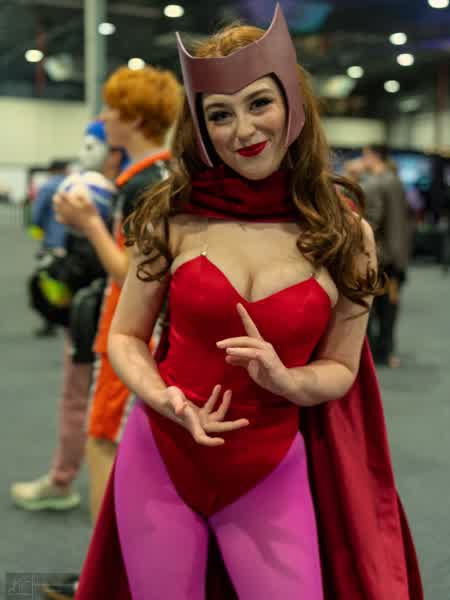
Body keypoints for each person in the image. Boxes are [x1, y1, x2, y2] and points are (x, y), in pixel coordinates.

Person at [75, 6, 423, 600]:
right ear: (200, 126)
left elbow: (342, 368)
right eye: (219, 114)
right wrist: (162, 396)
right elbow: (126, 336)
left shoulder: (345, 235)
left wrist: (288, 380)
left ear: (292, 103)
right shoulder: (171, 219)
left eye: (259, 103)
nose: (242, 130)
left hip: (270, 465)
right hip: (162, 457)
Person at [40, 65, 181, 600]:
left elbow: (131, 273)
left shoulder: (142, 182)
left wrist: (88, 224)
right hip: (148, 332)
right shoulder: (164, 172)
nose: (102, 118)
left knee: (103, 441)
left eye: (111, 110)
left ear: (135, 119)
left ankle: (104, 579)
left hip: (129, 332)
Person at [11, 121, 124, 512]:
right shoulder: (123, 187)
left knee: (83, 402)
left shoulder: (113, 192)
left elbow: (110, 265)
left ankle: (63, 481)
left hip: (105, 316)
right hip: (108, 315)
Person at [363, 144, 412, 368]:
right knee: (390, 307)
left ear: (373, 156)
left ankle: (374, 352)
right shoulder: (396, 181)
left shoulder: (375, 183)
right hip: (397, 255)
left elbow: (373, 220)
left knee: (372, 307)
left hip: (381, 257)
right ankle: (387, 351)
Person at [29, 159, 69, 336]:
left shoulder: (47, 187)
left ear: (51, 170)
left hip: (52, 242)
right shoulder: (72, 185)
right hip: (71, 241)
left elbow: (37, 215)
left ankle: (50, 321)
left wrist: (39, 228)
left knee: (48, 280)